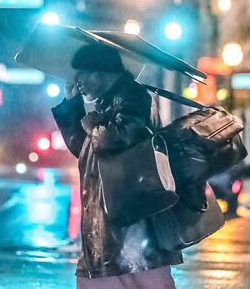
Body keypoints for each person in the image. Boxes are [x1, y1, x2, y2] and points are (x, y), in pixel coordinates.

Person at [51, 43, 181, 289]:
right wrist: (72, 105)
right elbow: (84, 149)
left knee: (144, 283)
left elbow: (118, 137)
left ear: (98, 73)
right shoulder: (108, 104)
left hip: (133, 229)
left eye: (81, 75)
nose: (78, 82)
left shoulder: (134, 98)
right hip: (108, 225)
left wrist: (90, 120)